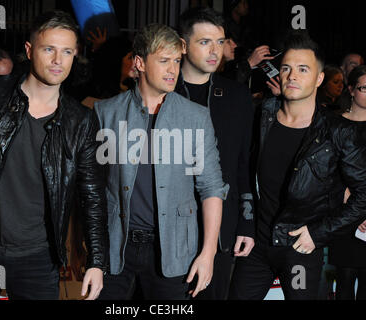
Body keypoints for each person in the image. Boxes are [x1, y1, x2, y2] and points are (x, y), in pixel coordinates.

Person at [0, 10, 107, 300]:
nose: (57, 60)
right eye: (49, 49)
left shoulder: (81, 120)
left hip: (38, 259)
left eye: (67, 52)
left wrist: (97, 261)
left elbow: (92, 195)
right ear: (29, 50)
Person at [228, 31, 366, 300]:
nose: (292, 76)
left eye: (303, 69)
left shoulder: (338, 131)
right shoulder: (263, 114)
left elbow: (363, 195)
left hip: (302, 249)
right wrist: (245, 226)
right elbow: (244, 169)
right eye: (287, 68)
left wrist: (319, 233)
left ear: (319, 78)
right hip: (257, 244)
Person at [95, 23, 228, 300]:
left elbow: (212, 187)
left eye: (177, 61)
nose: (172, 70)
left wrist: (208, 253)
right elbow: (92, 188)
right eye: (164, 60)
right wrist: (92, 252)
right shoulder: (105, 113)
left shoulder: (196, 117)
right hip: (116, 247)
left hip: (174, 249)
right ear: (140, 63)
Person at [175, 7, 255, 300]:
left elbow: (244, 163)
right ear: (183, 45)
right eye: (204, 41)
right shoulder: (163, 92)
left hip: (223, 228)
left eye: (220, 42)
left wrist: (246, 221)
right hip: (168, 227)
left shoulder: (238, 96)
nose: (215, 51)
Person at [328, 65, 366, 300]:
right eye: (364, 87)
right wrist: (345, 195)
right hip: (343, 214)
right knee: (344, 279)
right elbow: (324, 170)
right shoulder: (334, 124)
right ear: (351, 90)